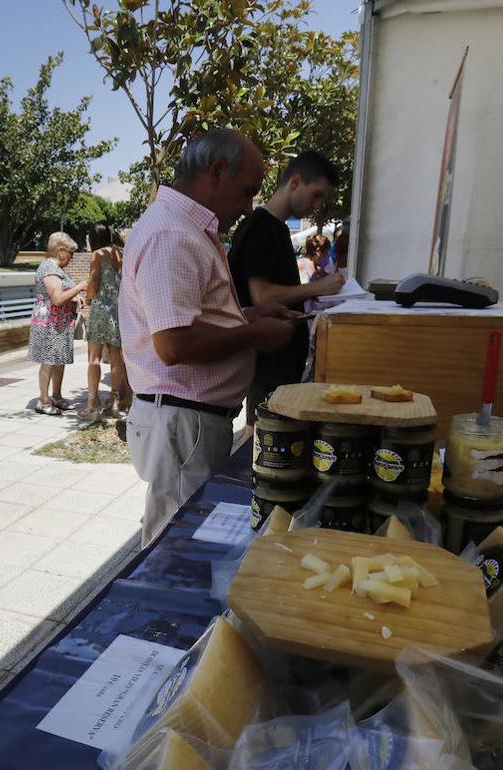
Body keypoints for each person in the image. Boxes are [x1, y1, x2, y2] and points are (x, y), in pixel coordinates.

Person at [121, 128, 298, 544]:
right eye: (247, 190)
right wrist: (254, 333)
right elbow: (174, 343)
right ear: (216, 171)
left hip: (189, 420)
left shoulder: (185, 229)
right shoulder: (172, 233)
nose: (249, 205)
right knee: (178, 546)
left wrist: (249, 315)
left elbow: (194, 317)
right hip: (184, 420)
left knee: (185, 537)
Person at [227, 150, 346, 422]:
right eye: (316, 194)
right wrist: (318, 288)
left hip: (280, 361)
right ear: (295, 182)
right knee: (264, 432)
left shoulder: (277, 228)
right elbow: (262, 296)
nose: (317, 205)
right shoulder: (260, 227)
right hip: (268, 363)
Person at [29, 231, 87, 415]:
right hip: (49, 325)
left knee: (58, 361)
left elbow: (64, 292)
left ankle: (57, 396)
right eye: (70, 253)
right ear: (61, 251)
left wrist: (76, 296)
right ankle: (43, 401)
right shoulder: (49, 269)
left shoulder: (58, 270)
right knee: (48, 362)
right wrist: (79, 287)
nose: (71, 257)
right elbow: (57, 298)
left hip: (58, 324)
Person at [81, 222, 131, 419]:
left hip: (101, 309)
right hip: (118, 310)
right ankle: (115, 402)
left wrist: (88, 297)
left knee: (93, 358)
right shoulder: (121, 253)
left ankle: (92, 403)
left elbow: (93, 283)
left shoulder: (98, 254)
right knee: (116, 358)